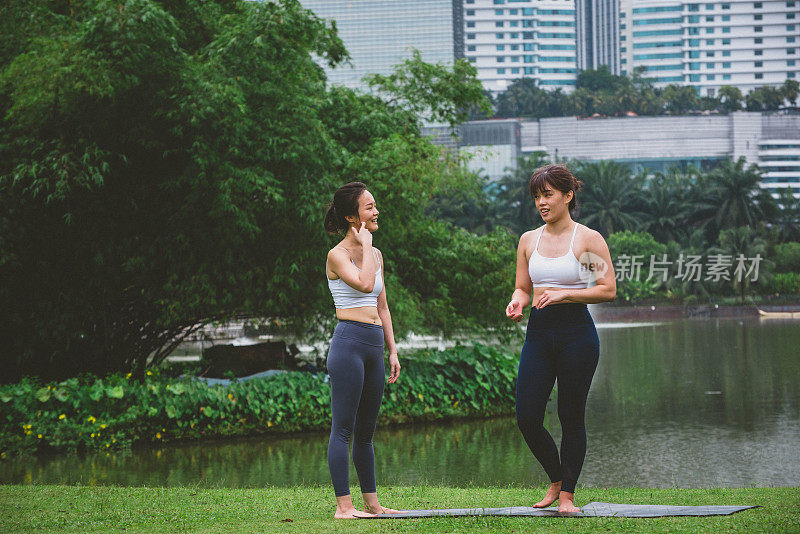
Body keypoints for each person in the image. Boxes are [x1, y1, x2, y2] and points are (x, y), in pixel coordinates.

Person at [505, 164, 616, 514]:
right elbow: (524, 287)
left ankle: (567, 495)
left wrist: (565, 295)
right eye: (536, 196)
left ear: (568, 196)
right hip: (539, 334)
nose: (541, 201)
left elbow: (607, 289)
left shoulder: (587, 239)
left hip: (577, 336)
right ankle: (555, 479)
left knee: (571, 417)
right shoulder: (528, 240)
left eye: (548, 194)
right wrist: (517, 301)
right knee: (527, 416)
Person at [323, 181, 402, 519]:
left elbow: (381, 306)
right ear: (351, 216)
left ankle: (372, 503)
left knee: (367, 431)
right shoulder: (337, 255)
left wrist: (393, 350)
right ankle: (344, 506)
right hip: (348, 344)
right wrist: (366, 245)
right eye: (369, 207)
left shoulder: (377, 254)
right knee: (343, 428)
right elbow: (365, 284)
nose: (376, 211)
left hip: (373, 346)